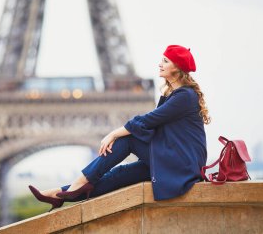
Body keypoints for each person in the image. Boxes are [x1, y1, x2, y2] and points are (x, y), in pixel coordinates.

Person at [29, 45, 211, 211]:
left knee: (128, 139)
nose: (160, 64)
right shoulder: (174, 96)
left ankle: (80, 181)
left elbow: (148, 121)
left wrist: (113, 134)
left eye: (165, 61)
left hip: (181, 164)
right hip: (171, 159)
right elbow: (153, 129)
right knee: (119, 174)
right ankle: (61, 194)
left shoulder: (185, 96)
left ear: (177, 68)